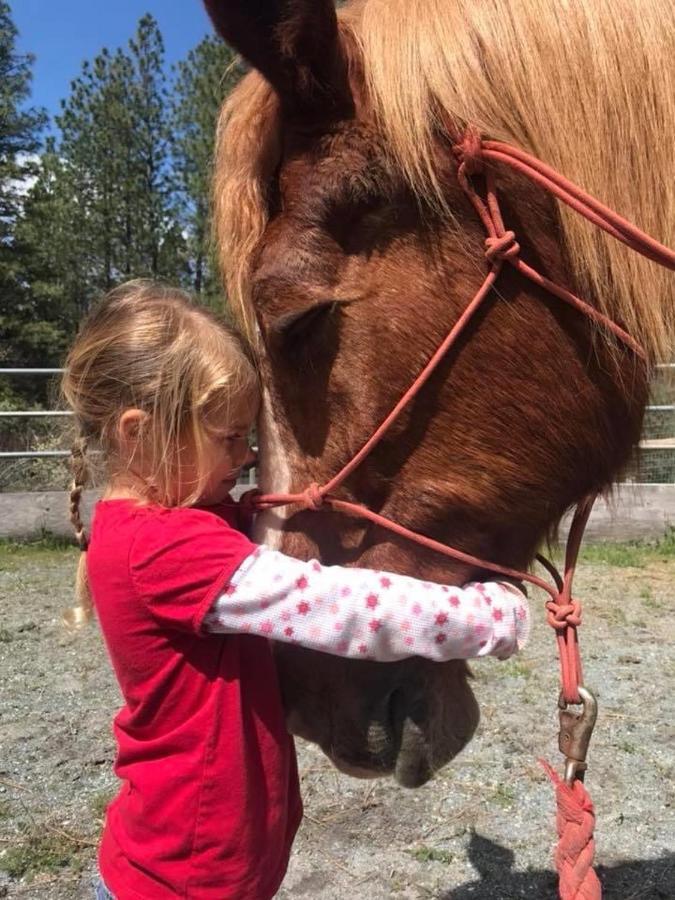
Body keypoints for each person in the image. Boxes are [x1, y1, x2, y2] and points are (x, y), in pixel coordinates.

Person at [62, 280, 530, 900]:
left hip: (198, 863)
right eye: (229, 437)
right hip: (185, 878)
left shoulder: (155, 526)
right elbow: (343, 611)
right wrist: (485, 620)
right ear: (138, 434)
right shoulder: (168, 551)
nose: (249, 453)